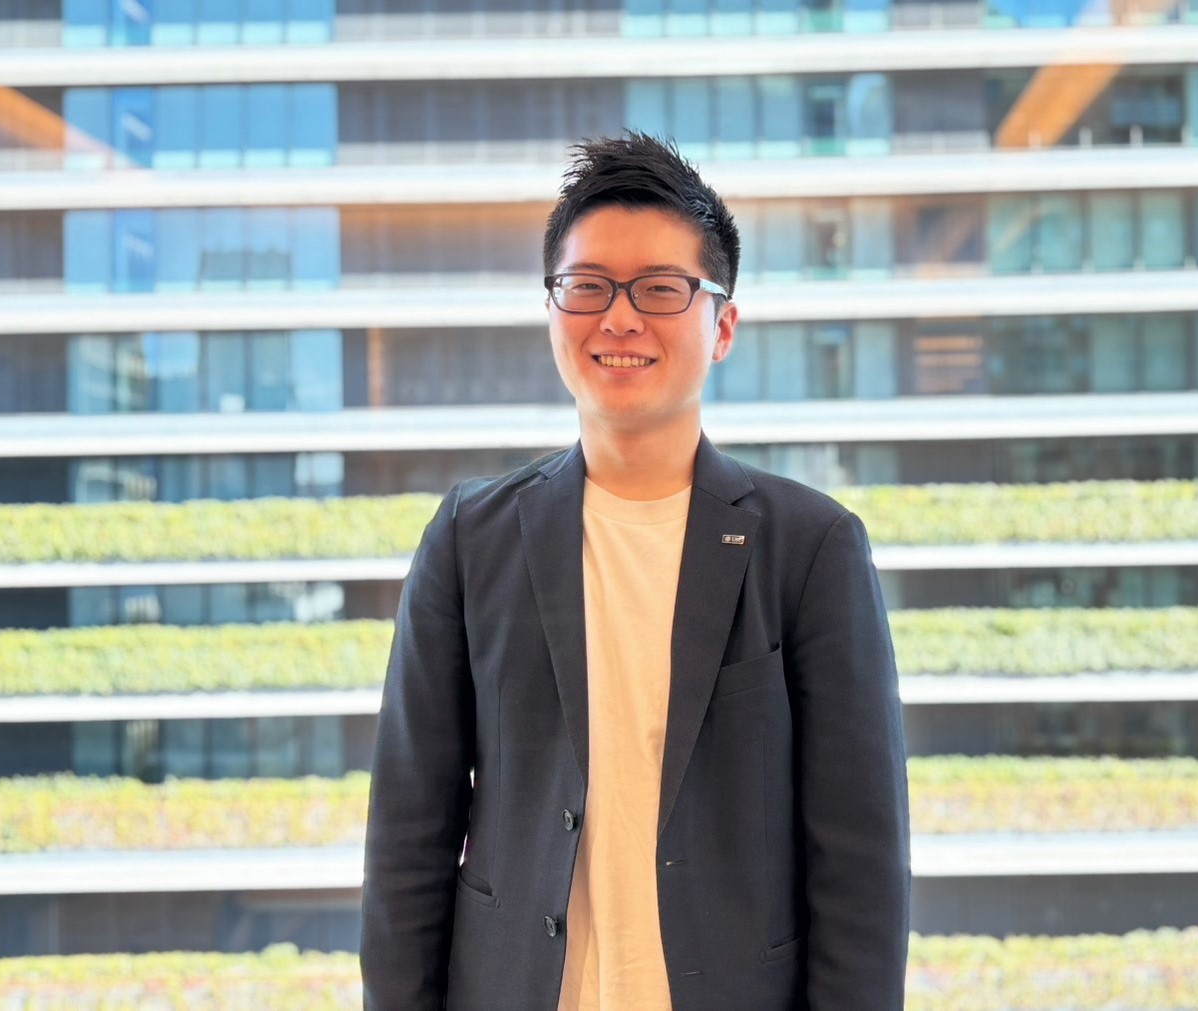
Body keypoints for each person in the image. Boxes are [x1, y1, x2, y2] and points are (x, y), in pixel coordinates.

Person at [361, 132, 910, 1011]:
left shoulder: (811, 548)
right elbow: (407, 840)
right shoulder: (469, 539)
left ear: (721, 325)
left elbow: (861, 869)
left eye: (660, 288)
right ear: (553, 309)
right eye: (587, 286)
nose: (619, 319)